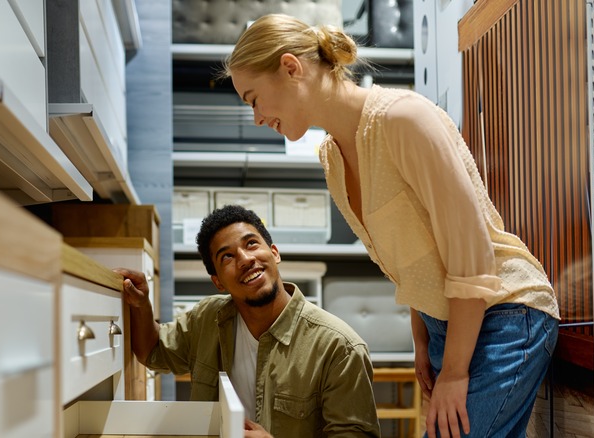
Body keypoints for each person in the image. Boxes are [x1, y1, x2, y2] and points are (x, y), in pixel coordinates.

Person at [220, 13, 560, 438]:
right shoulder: (331, 159)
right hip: (447, 325)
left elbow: (471, 254)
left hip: (504, 313)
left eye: (253, 99)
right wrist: (423, 341)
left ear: (291, 67)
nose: (255, 118)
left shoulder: (403, 119)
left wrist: (454, 371)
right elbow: (410, 255)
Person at [115, 204, 381, 437]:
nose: (245, 259)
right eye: (227, 256)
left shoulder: (339, 347)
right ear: (217, 281)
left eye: (251, 243)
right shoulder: (207, 319)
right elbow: (154, 351)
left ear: (274, 253)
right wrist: (141, 305)